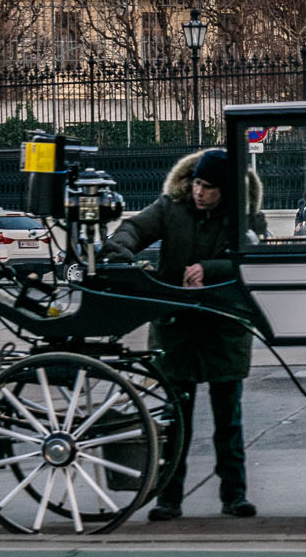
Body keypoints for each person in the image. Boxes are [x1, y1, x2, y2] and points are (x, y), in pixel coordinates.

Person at [103, 147, 267, 520]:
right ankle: (168, 498)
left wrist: (210, 268)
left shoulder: (244, 217)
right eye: (196, 183)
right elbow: (134, 228)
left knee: (229, 421)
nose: (199, 192)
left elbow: (255, 258)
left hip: (224, 328)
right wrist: (119, 251)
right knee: (175, 419)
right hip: (175, 328)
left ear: (225, 190)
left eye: (209, 187)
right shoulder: (169, 207)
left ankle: (234, 496)